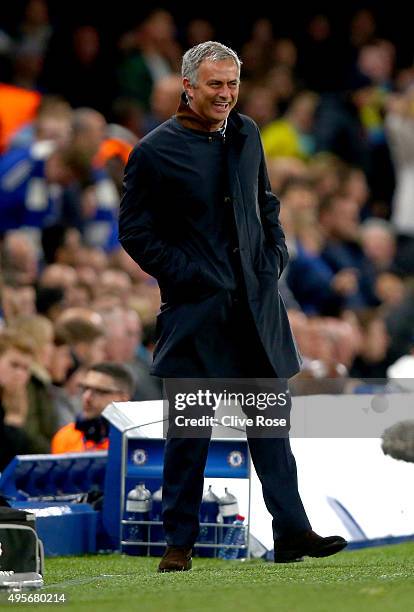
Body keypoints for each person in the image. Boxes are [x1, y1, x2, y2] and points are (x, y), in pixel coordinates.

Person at [119, 41, 347, 571]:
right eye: (215, 85)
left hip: (256, 311)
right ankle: (179, 544)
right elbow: (134, 231)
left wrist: (274, 256)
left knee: (271, 432)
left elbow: (265, 200)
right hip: (196, 315)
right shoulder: (153, 151)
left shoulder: (248, 134)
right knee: (189, 437)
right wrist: (191, 275)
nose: (225, 94)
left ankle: (292, 533)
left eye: (232, 84)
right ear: (188, 86)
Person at [51, 362, 134, 453]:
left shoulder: (137, 442)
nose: (87, 397)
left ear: (123, 399)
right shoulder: (65, 437)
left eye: (99, 391)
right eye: (85, 388)